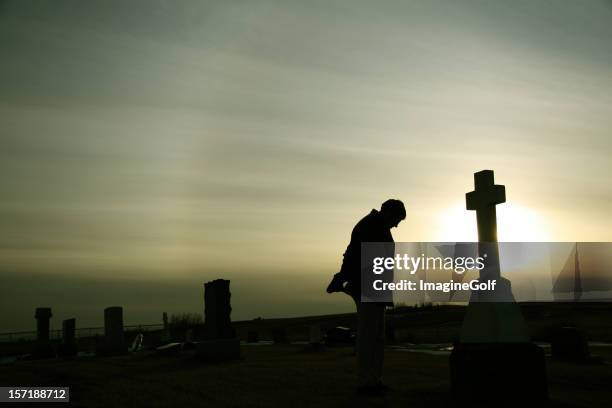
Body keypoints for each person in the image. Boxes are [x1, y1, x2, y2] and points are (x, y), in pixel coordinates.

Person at [327, 199, 406, 394]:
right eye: (397, 220)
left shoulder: (375, 225)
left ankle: (373, 380)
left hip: (375, 288)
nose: (396, 225)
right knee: (369, 336)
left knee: (377, 337)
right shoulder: (369, 225)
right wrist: (343, 277)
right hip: (367, 287)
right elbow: (352, 253)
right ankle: (365, 382)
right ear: (388, 213)